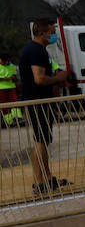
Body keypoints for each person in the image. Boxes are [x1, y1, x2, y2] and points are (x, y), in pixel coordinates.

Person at [18, 18, 69, 194]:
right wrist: (58, 79)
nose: (54, 36)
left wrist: (54, 79)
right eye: (52, 33)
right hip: (37, 102)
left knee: (42, 141)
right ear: (42, 33)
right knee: (41, 141)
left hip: (39, 101)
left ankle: (46, 178)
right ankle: (41, 182)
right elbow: (39, 79)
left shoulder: (38, 50)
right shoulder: (35, 51)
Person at [0, 53, 22, 126]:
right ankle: (9, 122)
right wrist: (5, 79)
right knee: (5, 105)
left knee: (14, 102)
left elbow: (14, 75)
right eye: (6, 61)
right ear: (2, 60)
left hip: (11, 87)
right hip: (1, 88)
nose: (8, 62)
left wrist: (12, 77)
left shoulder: (11, 65)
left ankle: (18, 118)